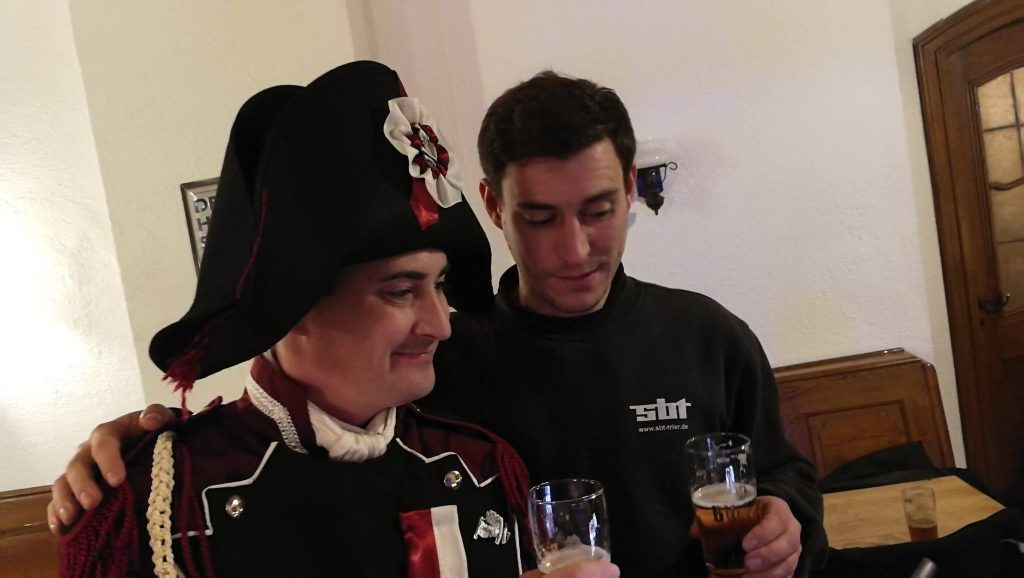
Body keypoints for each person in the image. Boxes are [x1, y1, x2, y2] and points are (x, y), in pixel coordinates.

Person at [51, 71, 826, 577]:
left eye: (598, 211)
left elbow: (783, 475)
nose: (574, 248)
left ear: (629, 191)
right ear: (491, 206)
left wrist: (787, 519)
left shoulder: (706, 338)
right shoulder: (428, 384)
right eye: (539, 218)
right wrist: (140, 449)